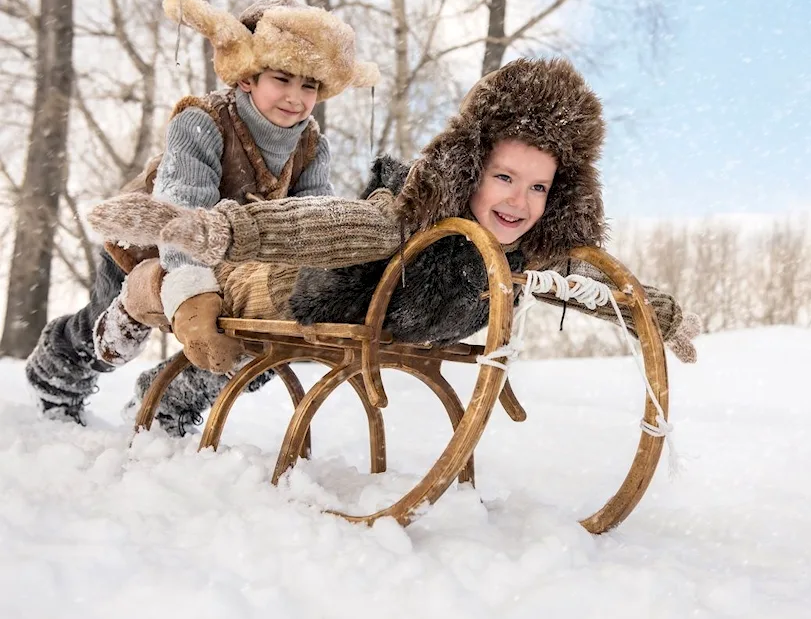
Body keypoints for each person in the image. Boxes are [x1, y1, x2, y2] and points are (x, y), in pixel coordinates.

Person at [89, 57, 701, 436]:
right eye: (504, 179)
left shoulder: (525, 247)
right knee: (229, 334)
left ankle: (163, 394)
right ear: (471, 172)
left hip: (348, 310)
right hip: (283, 275)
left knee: (247, 367)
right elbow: (333, 226)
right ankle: (138, 320)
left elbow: (586, 281)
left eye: (539, 187)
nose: (519, 202)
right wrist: (217, 231)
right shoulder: (416, 215)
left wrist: (656, 315)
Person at [24, 0, 379, 427]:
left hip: (232, 255)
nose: (295, 97)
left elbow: (307, 222)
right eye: (282, 78)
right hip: (151, 243)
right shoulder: (202, 121)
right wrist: (191, 291)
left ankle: (167, 401)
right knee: (108, 339)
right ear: (248, 76)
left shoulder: (311, 147)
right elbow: (181, 209)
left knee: (249, 341)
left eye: (309, 86)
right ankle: (54, 379)